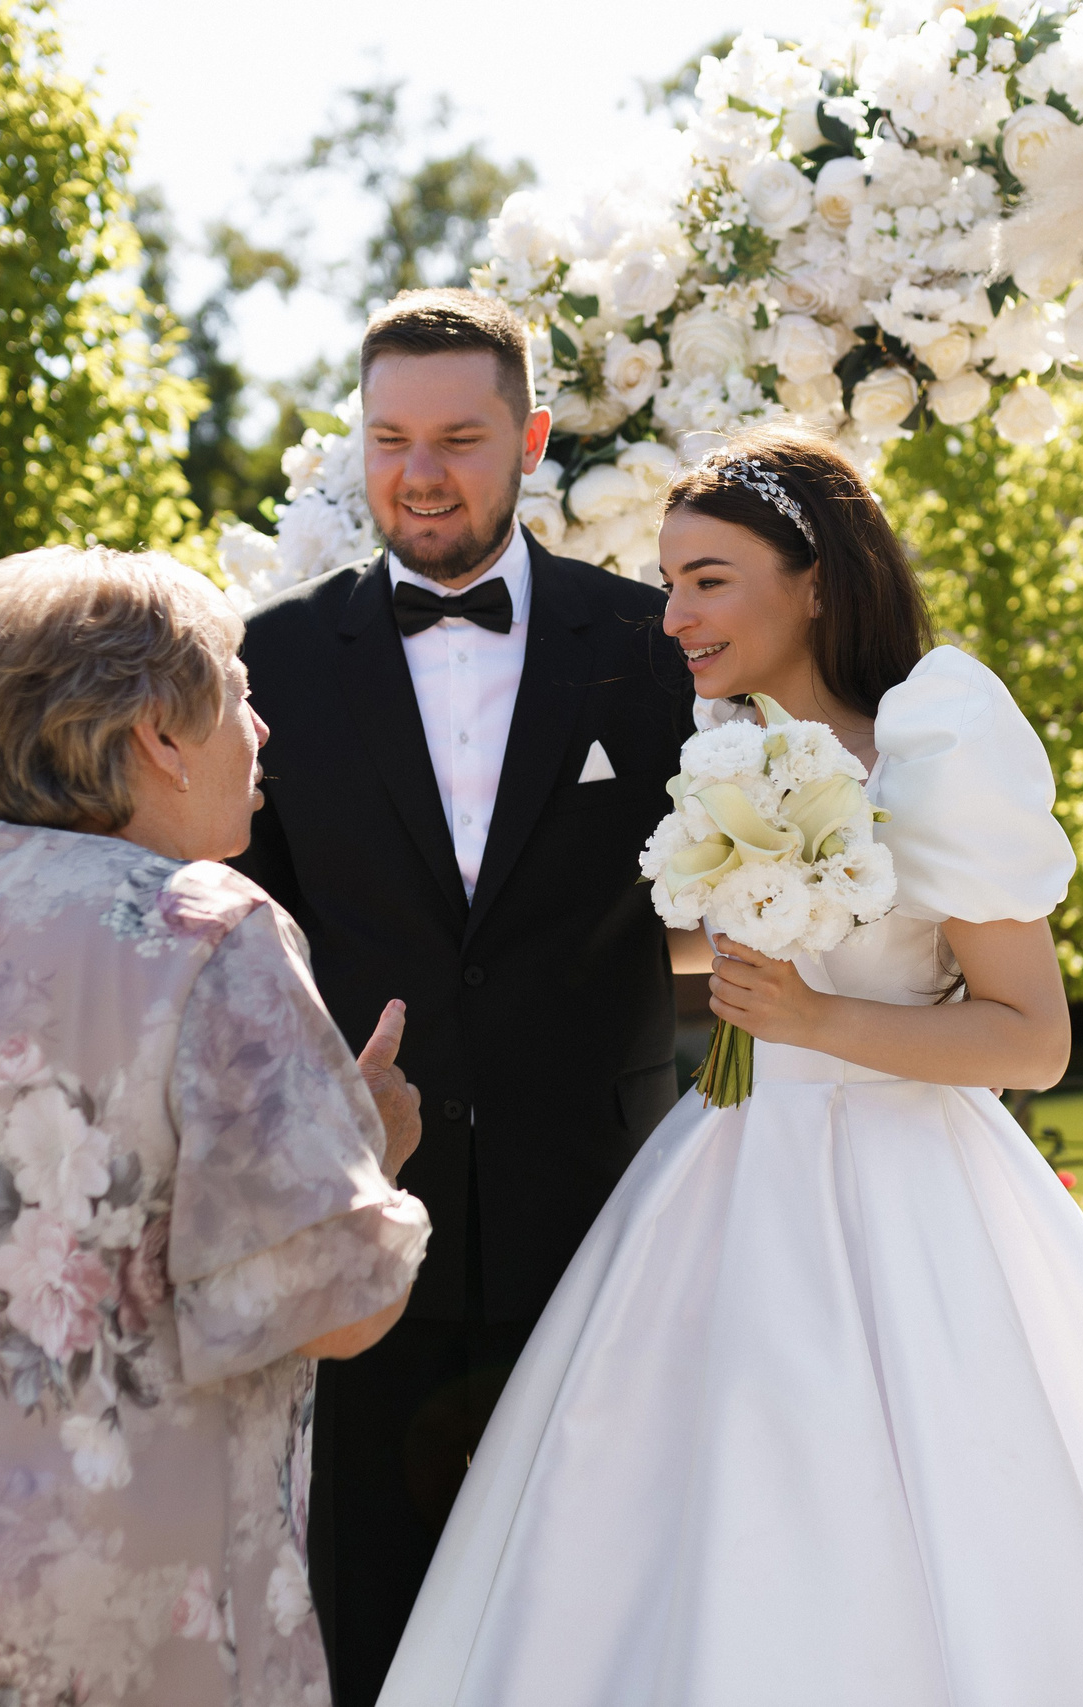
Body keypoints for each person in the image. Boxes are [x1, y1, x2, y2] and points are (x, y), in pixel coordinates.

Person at [378, 426, 1083, 1706]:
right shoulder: (717, 749)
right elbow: (715, 943)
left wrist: (815, 1020)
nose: (674, 615)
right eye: (670, 582)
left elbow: (1031, 1037)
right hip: (724, 1172)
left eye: (708, 580)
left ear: (815, 583)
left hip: (917, 1190)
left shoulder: (932, 752)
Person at [0, 547, 429, 1707]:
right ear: (161, 736)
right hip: (100, 1596)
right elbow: (337, 1308)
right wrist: (373, 1149)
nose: (261, 732)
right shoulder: (210, 928)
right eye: (241, 695)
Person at [231, 288, 695, 1705]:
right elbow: (243, 938)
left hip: (607, 1216)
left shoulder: (658, 646)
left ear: (532, 440)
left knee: (610, 1612)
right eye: (390, 440)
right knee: (375, 1619)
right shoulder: (266, 661)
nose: (419, 474)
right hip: (369, 1227)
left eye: (458, 439)